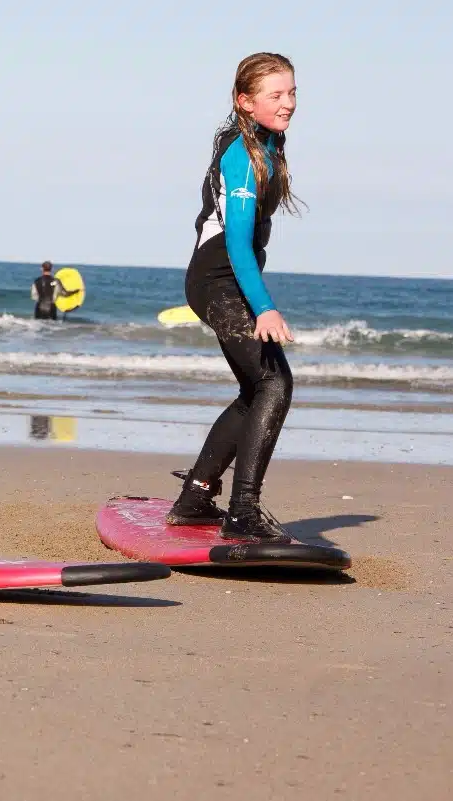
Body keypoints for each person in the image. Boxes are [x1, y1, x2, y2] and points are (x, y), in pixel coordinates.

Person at [166, 52, 301, 543]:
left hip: (224, 278)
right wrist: (264, 306)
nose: (288, 104)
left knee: (256, 388)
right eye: (276, 95)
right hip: (218, 280)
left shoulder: (266, 141)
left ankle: (197, 497)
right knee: (275, 384)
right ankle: (243, 510)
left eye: (292, 93)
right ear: (245, 102)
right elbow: (239, 242)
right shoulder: (245, 154)